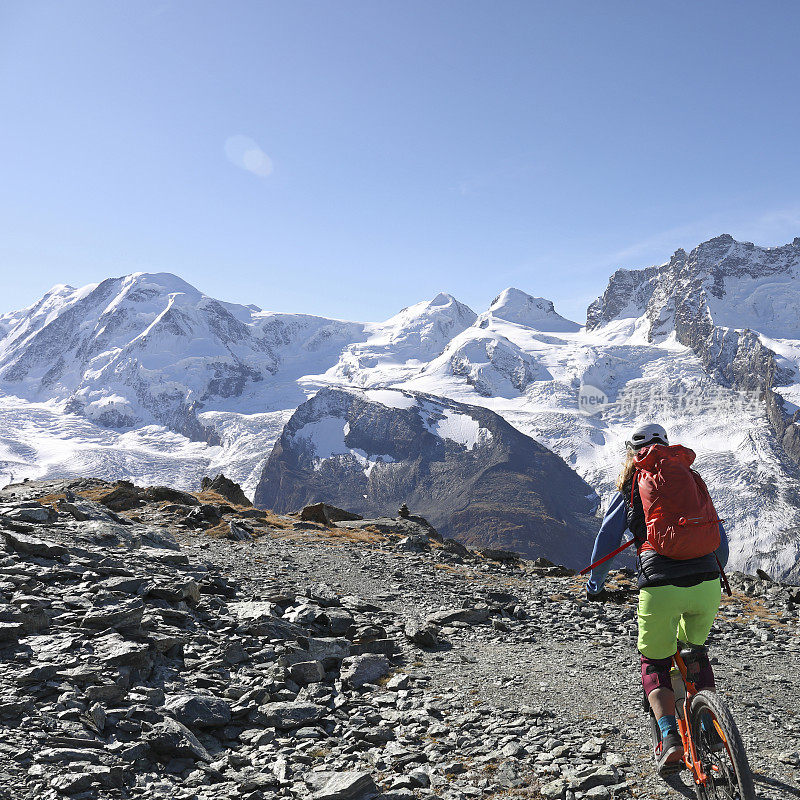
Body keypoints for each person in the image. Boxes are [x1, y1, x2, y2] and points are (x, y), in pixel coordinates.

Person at [585, 423, 729, 776]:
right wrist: (710, 571)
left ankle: (669, 738)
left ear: (633, 455)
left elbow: (607, 539)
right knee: (693, 649)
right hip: (708, 582)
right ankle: (709, 725)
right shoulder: (691, 479)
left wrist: (595, 585)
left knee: (655, 661)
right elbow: (717, 538)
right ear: (666, 446)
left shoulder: (633, 485)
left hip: (660, 585)